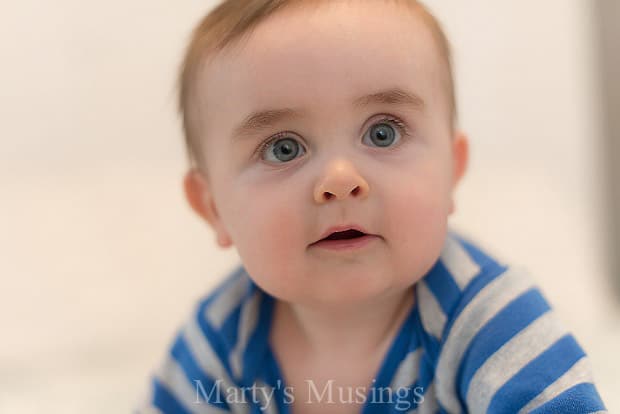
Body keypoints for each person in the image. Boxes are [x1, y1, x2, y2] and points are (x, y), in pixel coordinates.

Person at [136, 0, 607, 412]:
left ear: (452, 171)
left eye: (383, 133)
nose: (340, 181)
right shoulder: (224, 336)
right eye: (283, 148)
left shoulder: (486, 320)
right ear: (214, 208)